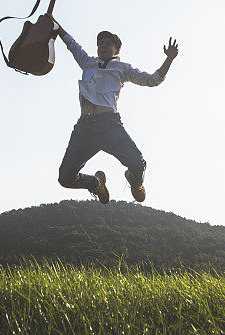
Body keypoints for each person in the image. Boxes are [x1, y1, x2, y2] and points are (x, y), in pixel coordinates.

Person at [52, 19, 178, 204]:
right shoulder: (87, 62)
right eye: (100, 43)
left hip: (109, 125)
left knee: (137, 163)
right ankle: (95, 184)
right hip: (84, 129)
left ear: (117, 50)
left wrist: (169, 58)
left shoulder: (122, 68)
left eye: (107, 43)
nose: (102, 45)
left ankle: (135, 182)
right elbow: (71, 43)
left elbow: (153, 80)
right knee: (65, 178)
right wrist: (55, 25)